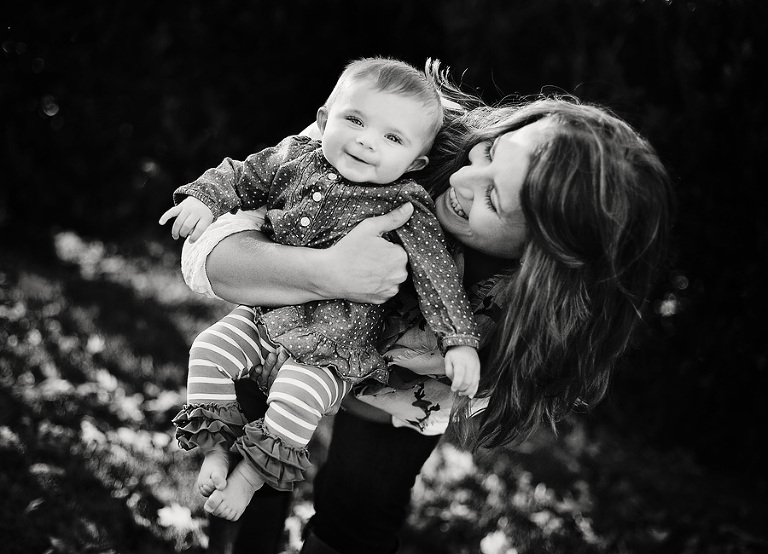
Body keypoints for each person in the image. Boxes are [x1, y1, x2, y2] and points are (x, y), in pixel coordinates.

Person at [180, 61, 673, 554]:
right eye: (489, 153)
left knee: (357, 513)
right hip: (281, 327)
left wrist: (463, 347)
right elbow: (205, 253)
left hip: (400, 394)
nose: (464, 179)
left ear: (542, 258)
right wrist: (325, 272)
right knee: (243, 483)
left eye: (493, 200)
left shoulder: (538, 315)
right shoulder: (393, 122)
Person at [160, 57, 481, 522]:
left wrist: (461, 341)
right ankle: (216, 449)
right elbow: (241, 175)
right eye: (355, 120)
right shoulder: (293, 159)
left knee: (294, 399)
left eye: (392, 138)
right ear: (324, 121)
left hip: (335, 345)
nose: (367, 140)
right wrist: (204, 199)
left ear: (415, 162)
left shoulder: (406, 206)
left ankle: (250, 477)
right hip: (266, 317)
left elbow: (439, 279)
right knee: (208, 349)